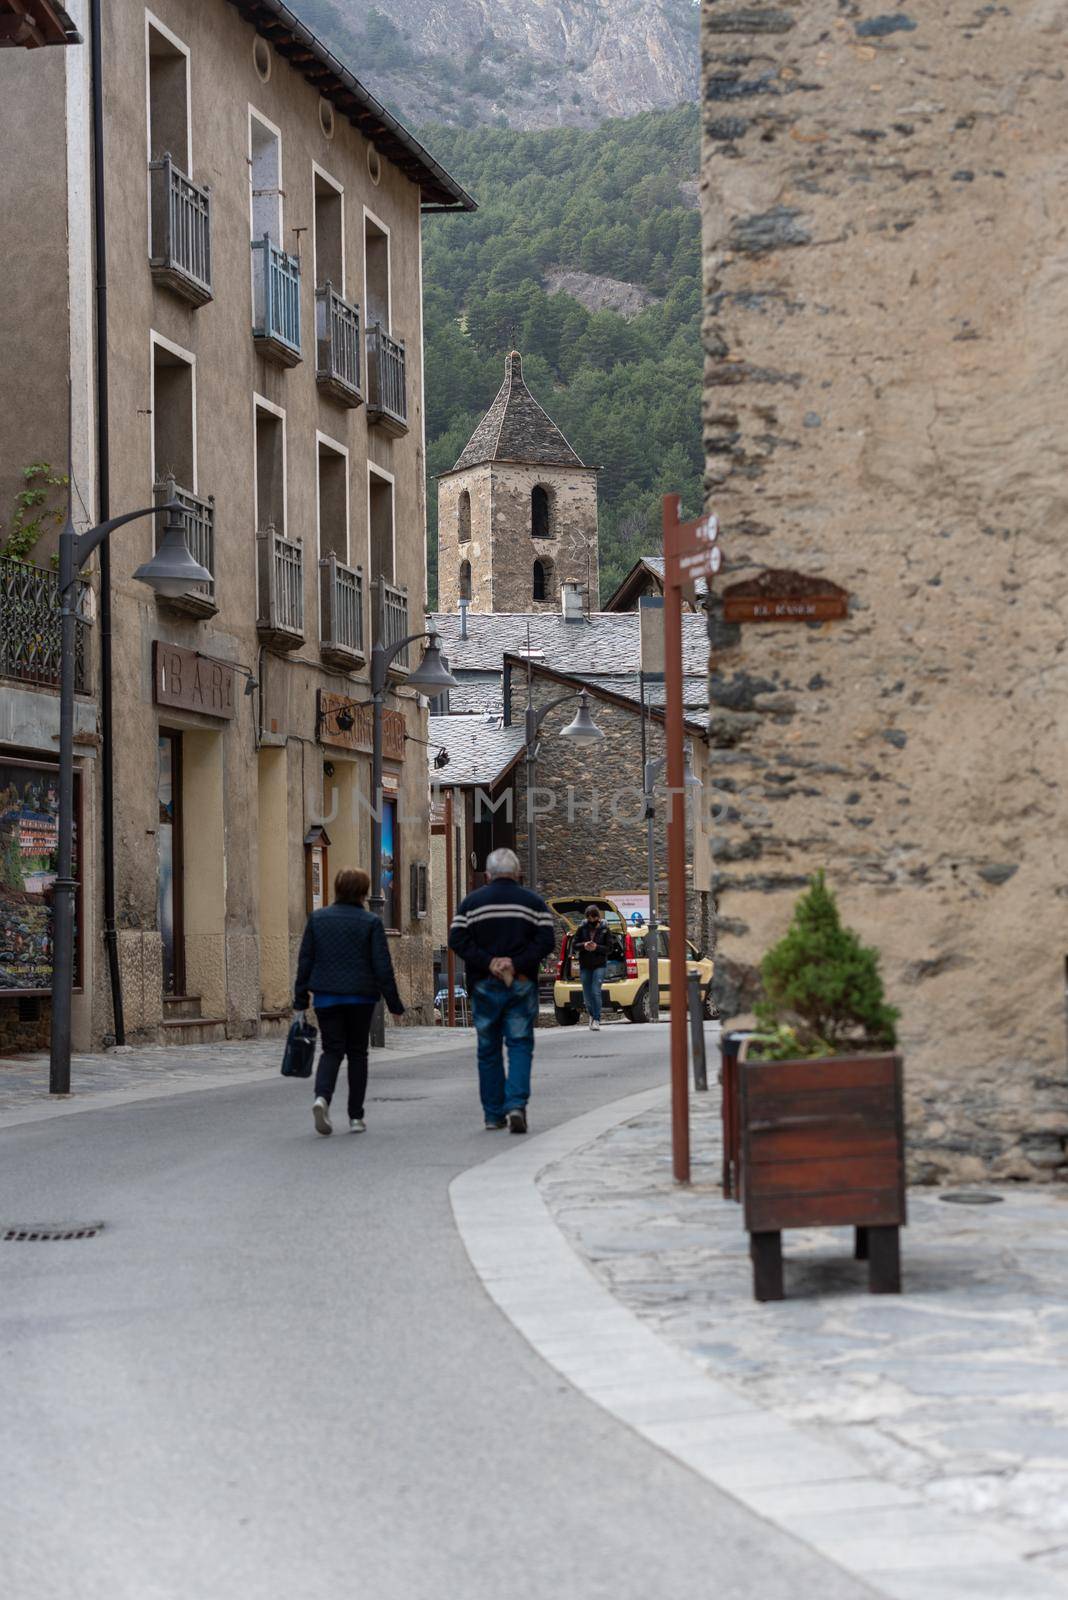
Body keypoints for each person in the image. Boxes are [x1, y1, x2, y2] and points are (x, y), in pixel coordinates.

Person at [448, 847, 555, 1134]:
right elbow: (547, 940)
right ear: (518, 874)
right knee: (519, 1044)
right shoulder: (532, 903)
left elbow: (456, 938)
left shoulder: (472, 903)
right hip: (520, 981)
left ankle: (493, 1114)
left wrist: (488, 961)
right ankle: (517, 1105)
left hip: (484, 982)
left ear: (488, 875)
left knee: (488, 1049)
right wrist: (516, 962)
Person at [293, 867, 404, 1137]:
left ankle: (322, 1098)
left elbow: (305, 960)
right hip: (361, 996)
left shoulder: (318, 919)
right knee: (357, 1053)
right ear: (365, 892)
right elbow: (382, 966)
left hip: (327, 997)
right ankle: (356, 1116)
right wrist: (394, 1003)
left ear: (337, 888)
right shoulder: (370, 922)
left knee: (331, 1050)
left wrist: (300, 998)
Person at [575, 904, 610, 1031]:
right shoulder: (582, 928)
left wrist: (597, 947)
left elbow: (609, 948)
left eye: (593, 917)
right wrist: (584, 945)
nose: (591, 920)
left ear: (597, 917)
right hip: (585, 964)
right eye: (589, 917)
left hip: (600, 964)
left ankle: (597, 1019)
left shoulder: (605, 929)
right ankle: (591, 1014)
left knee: (595, 991)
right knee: (587, 995)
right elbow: (574, 945)